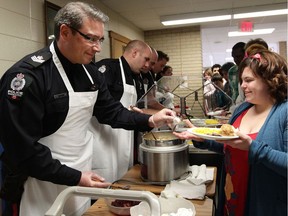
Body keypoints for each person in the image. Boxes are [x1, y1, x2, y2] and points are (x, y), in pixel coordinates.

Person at [0, 2, 175, 216]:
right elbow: (24, 151)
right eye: (90, 38)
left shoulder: (91, 73)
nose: (98, 47)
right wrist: (74, 177)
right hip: (41, 182)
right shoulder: (30, 77)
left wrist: (151, 120)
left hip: (82, 173)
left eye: (100, 39)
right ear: (65, 32)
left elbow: (111, 111)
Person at [174, 45, 287, 216]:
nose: (242, 86)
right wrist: (203, 139)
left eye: (249, 80)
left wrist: (254, 148)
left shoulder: (283, 113)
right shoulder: (241, 110)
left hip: (264, 204)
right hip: (232, 195)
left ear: (269, 79)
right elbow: (230, 146)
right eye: (242, 81)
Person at [89, 40, 152, 182]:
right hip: (103, 137)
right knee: (105, 181)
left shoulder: (136, 76)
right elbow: (102, 108)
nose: (147, 65)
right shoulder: (108, 69)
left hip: (124, 137)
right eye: (146, 59)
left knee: (123, 177)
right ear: (134, 53)